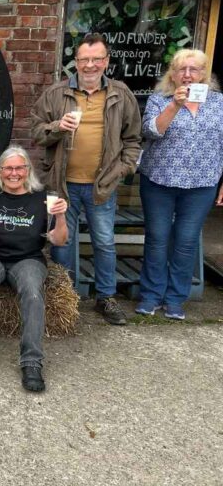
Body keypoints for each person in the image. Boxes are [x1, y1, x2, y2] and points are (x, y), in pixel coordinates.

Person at [30, 32, 141, 326]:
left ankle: (106, 297)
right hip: (63, 184)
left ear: (105, 62)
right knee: (61, 243)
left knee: (104, 242)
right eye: (84, 59)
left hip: (101, 185)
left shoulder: (121, 94)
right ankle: (63, 299)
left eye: (96, 59)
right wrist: (57, 126)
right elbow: (36, 132)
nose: (89, 65)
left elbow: (132, 138)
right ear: (75, 62)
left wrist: (123, 169)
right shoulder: (56, 94)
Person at [0, 145, 68, 393]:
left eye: (20, 167)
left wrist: (61, 218)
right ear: (0, 171)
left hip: (28, 259)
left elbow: (59, 240)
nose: (14, 173)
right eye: (8, 168)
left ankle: (31, 362)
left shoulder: (43, 198)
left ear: (28, 170)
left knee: (31, 291)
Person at [136, 49, 223, 320]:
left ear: (203, 74)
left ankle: (175, 299)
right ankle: (150, 296)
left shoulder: (218, 102)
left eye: (193, 69)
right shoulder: (159, 100)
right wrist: (174, 105)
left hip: (202, 183)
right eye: (181, 69)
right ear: (172, 74)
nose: (187, 74)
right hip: (159, 181)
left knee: (186, 241)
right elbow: (150, 131)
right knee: (158, 239)